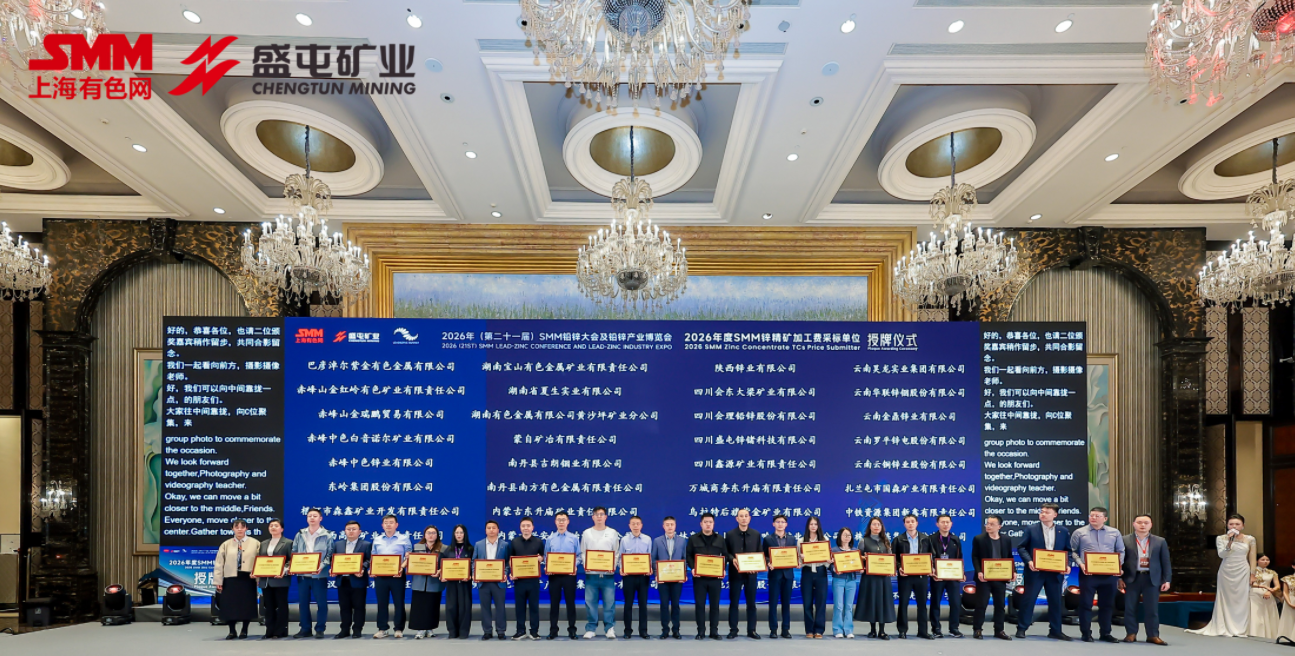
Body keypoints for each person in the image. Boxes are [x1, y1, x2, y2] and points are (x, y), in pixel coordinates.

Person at [1188, 514, 1255, 637]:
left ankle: (1240, 627)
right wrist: (1230, 542)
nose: (1234, 526)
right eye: (1231, 524)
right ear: (1227, 525)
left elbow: (1252, 558)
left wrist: (1252, 574)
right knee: (1225, 599)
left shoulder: (1250, 539)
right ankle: (1224, 625)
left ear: (1243, 526)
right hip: (1226, 571)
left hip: (1242, 570)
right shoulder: (1221, 538)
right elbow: (1222, 555)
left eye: (1237, 524)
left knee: (1241, 599)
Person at [1015, 503, 1072, 640]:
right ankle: (1022, 628)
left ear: (1055, 515)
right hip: (1035, 571)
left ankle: (1056, 630)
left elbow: (1068, 551)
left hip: (1055, 572)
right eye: (1042, 511)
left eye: (1047, 512)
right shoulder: (1031, 529)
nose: (1043, 514)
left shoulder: (1063, 531)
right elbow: (1021, 547)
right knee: (1029, 600)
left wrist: (1067, 564)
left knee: (1056, 601)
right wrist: (1029, 561)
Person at [1070, 506, 1125, 643]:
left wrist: (1118, 566)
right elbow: (1072, 551)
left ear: (1105, 518)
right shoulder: (1079, 532)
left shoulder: (1114, 533)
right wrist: (1081, 564)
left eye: (1097, 516)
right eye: (1091, 515)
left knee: (1107, 605)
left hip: (1109, 574)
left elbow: (1120, 551)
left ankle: (1105, 633)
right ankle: (1086, 633)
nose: (1093, 518)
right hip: (1088, 574)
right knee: (1085, 604)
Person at [1118, 514, 1171, 645]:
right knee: (1130, 608)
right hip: (1131, 578)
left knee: (1152, 609)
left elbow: (1166, 562)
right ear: (1133, 524)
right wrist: (1119, 578)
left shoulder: (1160, 541)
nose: (1142, 525)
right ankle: (1131, 633)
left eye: (1146, 523)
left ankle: (1153, 635)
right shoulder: (1124, 540)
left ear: (1151, 525)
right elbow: (1119, 560)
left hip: (1152, 579)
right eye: (1139, 522)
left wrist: (1167, 580)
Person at [213, 519, 260, 640]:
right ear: (232, 529)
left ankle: (244, 630)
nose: (239, 529)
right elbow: (219, 563)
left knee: (247, 605)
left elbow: (259, 561)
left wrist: (258, 578)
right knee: (230, 605)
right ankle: (232, 631)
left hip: (248, 578)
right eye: (237, 527)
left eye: (242, 527)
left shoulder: (255, 543)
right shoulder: (226, 544)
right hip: (230, 578)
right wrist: (218, 581)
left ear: (246, 529)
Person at [291, 508, 333, 639]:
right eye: (310, 516)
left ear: (320, 518)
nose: (312, 518)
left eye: (315, 516)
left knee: (321, 604)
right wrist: (295, 565)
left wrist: (321, 566)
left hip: (319, 575)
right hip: (303, 575)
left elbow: (330, 555)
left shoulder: (327, 535)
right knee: (303, 603)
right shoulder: (300, 534)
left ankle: (320, 629)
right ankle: (305, 629)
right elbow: (294, 551)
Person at [581, 506, 621, 639]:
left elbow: (616, 552)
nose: (599, 517)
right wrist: (586, 565)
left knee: (609, 603)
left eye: (601, 514)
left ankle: (609, 628)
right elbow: (583, 552)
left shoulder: (612, 532)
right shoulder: (586, 533)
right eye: (596, 514)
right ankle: (591, 628)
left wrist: (613, 566)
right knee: (590, 603)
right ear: (592, 517)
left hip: (608, 575)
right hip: (591, 574)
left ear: (606, 517)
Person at [687, 512, 728, 640]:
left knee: (715, 606)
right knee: (700, 605)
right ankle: (701, 631)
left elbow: (725, 555)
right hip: (699, 578)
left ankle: (714, 631)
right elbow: (688, 555)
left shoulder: (720, 539)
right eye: (706, 522)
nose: (708, 524)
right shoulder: (693, 539)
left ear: (713, 524)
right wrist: (693, 568)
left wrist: (723, 568)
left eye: (710, 522)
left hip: (715, 578)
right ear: (701, 524)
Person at [371, 514, 413, 639]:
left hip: (397, 575)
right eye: (386, 522)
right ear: (382, 525)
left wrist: (401, 568)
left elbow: (408, 556)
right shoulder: (377, 539)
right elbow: (373, 556)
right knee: (382, 603)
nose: (388, 525)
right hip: (380, 576)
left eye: (391, 522)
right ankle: (382, 628)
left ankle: (399, 628)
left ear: (396, 525)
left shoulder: (404, 539)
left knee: (399, 602)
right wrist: (373, 569)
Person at [971, 514, 1011, 641]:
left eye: (992, 524)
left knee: (1000, 605)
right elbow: (975, 557)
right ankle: (977, 629)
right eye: (987, 523)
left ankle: (999, 630)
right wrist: (979, 571)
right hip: (984, 578)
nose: (988, 526)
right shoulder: (979, 539)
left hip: (1000, 577)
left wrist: (1013, 572)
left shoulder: (1006, 539)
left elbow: (1009, 557)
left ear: (999, 526)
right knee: (981, 604)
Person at [855, 516, 895, 638]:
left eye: (878, 524)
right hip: (870, 578)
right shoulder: (863, 541)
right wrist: (863, 560)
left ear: (882, 527)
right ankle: (872, 630)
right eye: (874, 524)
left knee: (883, 602)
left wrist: (891, 569)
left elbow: (890, 558)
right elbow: (858, 558)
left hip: (883, 578)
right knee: (871, 601)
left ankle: (882, 630)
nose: (876, 526)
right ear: (870, 527)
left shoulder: (886, 541)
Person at [894, 513, 933, 639]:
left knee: (922, 604)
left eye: (912, 521)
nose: (910, 524)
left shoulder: (925, 539)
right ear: (904, 524)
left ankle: (923, 631)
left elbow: (931, 555)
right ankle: (902, 630)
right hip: (905, 576)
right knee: (903, 603)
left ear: (917, 523)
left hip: (921, 576)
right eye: (908, 522)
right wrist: (899, 567)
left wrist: (930, 567)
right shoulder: (898, 539)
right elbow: (894, 557)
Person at [725, 508, 761, 639]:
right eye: (741, 516)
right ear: (737, 519)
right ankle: (733, 629)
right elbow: (726, 553)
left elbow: (760, 552)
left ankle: (752, 630)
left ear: (749, 518)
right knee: (734, 602)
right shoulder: (730, 534)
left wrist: (757, 565)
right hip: (735, 573)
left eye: (746, 516)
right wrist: (732, 559)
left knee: (751, 603)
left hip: (751, 574)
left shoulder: (756, 534)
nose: (744, 518)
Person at [332, 520, 371, 639]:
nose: (351, 531)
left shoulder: (366, 544)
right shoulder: (338, 544)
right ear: (345, 531)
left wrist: (362, 568)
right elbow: (333, 560)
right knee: (344, 607)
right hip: (342, 580)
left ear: (359, 532)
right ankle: (344, 629)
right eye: (348, 529)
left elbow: (369, 560)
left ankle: (357, 629)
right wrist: (332, 569)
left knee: (359, 606)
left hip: (358, 580)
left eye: (354, 529)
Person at [927, 514, 965, 639]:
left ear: (951, 524)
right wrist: (932, 570)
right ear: (937, 524)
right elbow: (928, 557)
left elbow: (959, 557)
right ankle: (936, 629)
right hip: (937, 576)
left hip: (953, 576)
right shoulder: (931, 539)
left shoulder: (955, 539)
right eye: (942, 522)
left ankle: (954, 628)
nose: (945, 524)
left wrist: (961, 573)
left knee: (955, 602)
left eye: (947, 522)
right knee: (935, 602)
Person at [544, 511, 580, 640]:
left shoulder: (574, 538)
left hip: (569, 575)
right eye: (559, 520)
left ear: (568, 522)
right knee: (554, 603)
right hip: (554, 575)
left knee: (570, 603)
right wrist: (547, 566)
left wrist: (574, 565)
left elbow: (578, 555)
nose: (561, 522)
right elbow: (546, 556)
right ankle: (553, 630)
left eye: (563, 520)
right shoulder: (550, 539)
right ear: (555, 522)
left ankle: (572, 630)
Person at [652, 516, 688, 639]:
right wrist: (657, 574)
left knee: (676, 605)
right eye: (667, 524)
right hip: (663, 578)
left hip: (677, 578)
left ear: (675, 526)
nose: (670, 527)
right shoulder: (657, 541)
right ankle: (665, 630)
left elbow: (684, 559)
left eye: (672, 524)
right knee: (664, 605)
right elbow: (653, 559)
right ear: (663, 526)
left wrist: (684, 573)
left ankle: (676, 630)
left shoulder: (682, 541)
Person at [475, 519, 512, 640]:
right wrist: (475, 573)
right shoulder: (479, 544)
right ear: (485, 530)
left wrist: (505, 573)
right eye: (489, 528)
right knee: (485, 607)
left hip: (499, 582)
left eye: (493, 528)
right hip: (483, 582)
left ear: (498, 530)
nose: (491, 530)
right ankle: (487, 631)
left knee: (500, 607)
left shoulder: (505, 545)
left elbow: (508, 562)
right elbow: (474, 562)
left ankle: (501, 631)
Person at [257, 518, 293, 640]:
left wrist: (284, 570)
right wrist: (257, 573)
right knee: (268, 607)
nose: (273, 527)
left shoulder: (288, 543)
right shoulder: (263, 543)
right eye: (271, 525)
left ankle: (280, 631)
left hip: (280, 579)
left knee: (281, 606)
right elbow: (260, 561)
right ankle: (269, 630)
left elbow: (291, 560)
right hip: (266, 580)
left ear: (281, 529)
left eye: (276, 526)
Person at [510, 517, 545, 640]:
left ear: (532, 527)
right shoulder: (514, 542)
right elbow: (511, 559)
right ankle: (520, 631)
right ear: (520, 528)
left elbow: (543, 557)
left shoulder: (538, 542)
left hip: (533, 580)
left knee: (534, 607)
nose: (526, 528)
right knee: (520, 607)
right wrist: (512, 573)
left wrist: (541, 558)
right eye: (523, 526)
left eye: (528, 525)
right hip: (519, 580)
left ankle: (534, 631)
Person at [762, 514, 795, 639]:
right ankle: (773, 629)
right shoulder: (768, 539)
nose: (780, 524)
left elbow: (794, 555)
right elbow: (764, 555)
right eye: (777, 522)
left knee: (786, 603)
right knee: (773, 603)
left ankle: (785, 629)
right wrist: (768, 562)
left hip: (788, 575)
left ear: (786, 524)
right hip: (774, 574)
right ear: (773, 524)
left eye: (782, 522)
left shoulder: (792, 539)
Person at [409, 525, 444, 639]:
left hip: (434, 582)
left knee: (432, 606)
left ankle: (430, 629)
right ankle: (420, 629)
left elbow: (446, 563)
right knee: (419, 606)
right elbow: (411, 562)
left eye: (433, 533)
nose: (431, 535)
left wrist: (439, 571)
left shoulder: (443, 548)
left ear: (437, 535)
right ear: (424, 535)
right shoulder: (417, 547)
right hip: (419, 582)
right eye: (429, 533)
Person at [620, 515, 652, 639]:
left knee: (643, 604)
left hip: (643, 576)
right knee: (628, 604)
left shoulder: (647, 539)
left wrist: (649, 568)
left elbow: (650, 556)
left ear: (641, 525)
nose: (635, 526)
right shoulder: (624, 540)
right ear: (629, 526)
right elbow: (621, 557)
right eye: (633, 523)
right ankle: (627, 630)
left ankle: (643, 630)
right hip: (629, 576)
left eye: (637, 523)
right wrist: (621, 568)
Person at [441, 524, 474, 639]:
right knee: (451, 607)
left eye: (461, 532)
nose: (459, 535)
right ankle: (452, 631)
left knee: (464, 607)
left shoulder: (470, 549)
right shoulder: (448, 549)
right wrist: (443, 575)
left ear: (465, 534)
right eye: (457, 533)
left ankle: (464, 631)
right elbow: (443, 565)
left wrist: (470, 576)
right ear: (454, 534)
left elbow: (474, 565)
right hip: (451, 583)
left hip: (465, 583)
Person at [800, 516, 829, 639]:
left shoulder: (824, 540)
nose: (813, 526)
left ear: (818, 526)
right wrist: (801, 558)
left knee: (821, 602)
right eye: (811, 524)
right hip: (807, 572)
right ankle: (809, 629)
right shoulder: (801, 540)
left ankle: (819, 630)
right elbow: (798, 562)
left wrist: (828, 560)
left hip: (821, 572)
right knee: (807, 602)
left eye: (815, 524)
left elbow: (827, 560)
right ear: (808, 526)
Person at [831, 526, 861, 639]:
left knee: (848, 606)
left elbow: (858, 565)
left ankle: (848, 629)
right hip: (838, 579)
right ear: (840, 536)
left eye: (849, 535)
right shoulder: (834, 550)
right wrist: (834, 568)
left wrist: (860, 568)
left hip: (851, 580)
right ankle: (837, 629)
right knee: (838, 606)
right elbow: (829, 565)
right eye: (844, 535)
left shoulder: (854, 551)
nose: (847, 537)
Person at [1250, 553, 1280, 639]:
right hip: (1255, 594)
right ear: (1257, 561)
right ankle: (1255, 634)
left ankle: (1268, 635)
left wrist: (1270, 591)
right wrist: (1264, 587)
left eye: (1267, 560)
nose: (1265, 561)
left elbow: (1277, 586)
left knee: (1268, 615)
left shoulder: (1272, 572)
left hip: (1268, 594)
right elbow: (1250, 583)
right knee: (1256, 615)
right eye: (1263, 560)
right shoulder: (1252, 571)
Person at [1277, 561, 1295, 641]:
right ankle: (1288, 638)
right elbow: (1285, 592)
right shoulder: (1287, 578)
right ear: (1293, 566)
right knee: (1289, 619)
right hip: (1291, 599)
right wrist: (1289, 603)